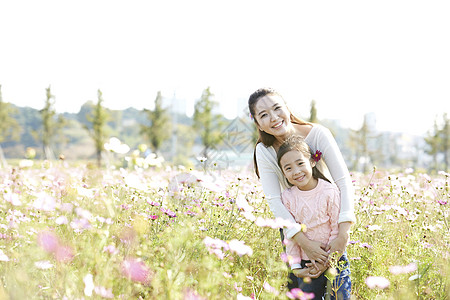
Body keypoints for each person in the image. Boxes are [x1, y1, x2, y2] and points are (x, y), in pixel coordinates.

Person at [248, 87, 356, 289]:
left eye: (277, 108)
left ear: (287, 109)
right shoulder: (263, 150)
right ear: (258, 123)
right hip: (294, 228)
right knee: (302, 289)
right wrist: (304, 243)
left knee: (338, 288)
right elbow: (274, 199)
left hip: (329, 223)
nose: (273, 118)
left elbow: (343, 181)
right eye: (263, 115)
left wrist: (343, 233)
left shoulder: (317, 134)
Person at [277, 135, 351, 299]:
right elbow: (291, 235)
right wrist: (295, 266)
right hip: (307, 264)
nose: (296, 171)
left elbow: (335, 228)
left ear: (312, 161)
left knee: (339, 296)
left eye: (300, 163)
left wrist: (327, 260)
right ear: (282, 173)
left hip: (335, 259)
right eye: (288, 168)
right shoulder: (288, 198)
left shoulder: (329, 191)